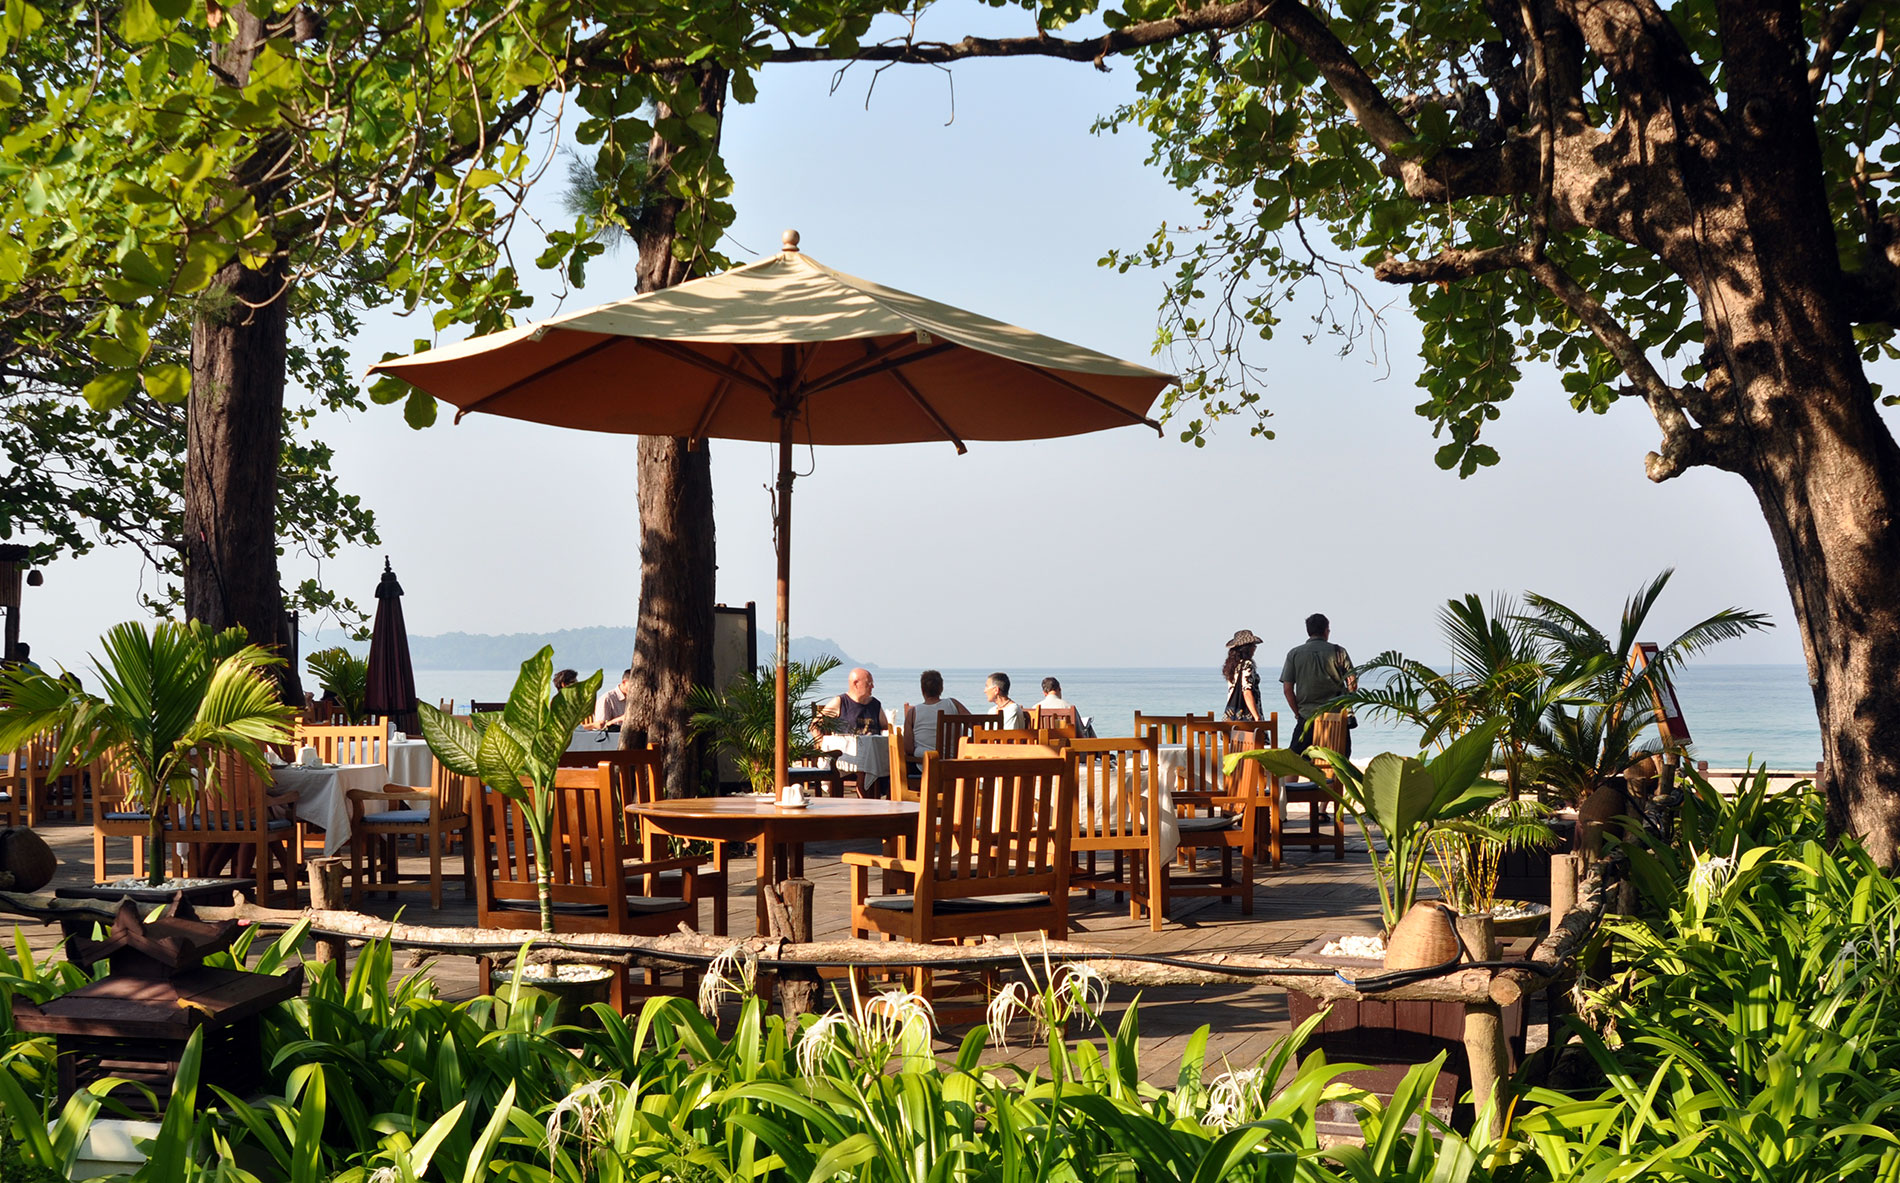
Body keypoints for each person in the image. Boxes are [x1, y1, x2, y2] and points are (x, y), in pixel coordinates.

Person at [1282, 613, 1358, 757]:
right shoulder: (1339, 652)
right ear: (1326, 631)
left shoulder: (1294, 653)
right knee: (1340, 761)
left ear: (1308, 631)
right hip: (1336, 718)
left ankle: (1296, 776)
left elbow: (1287, 690)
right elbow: (1352, 683)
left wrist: (1297, 713)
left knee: (1294, 760)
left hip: (1307, 717)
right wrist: (1347, 702)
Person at [904, 670, 969, 758]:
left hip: (924, 762)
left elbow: (908, 748)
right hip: (953, 761)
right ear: (941, 688)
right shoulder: (953, 704)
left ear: (922, 690)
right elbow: (975, 724)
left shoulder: (913, 712)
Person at [814, 667, 884, 735]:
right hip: (846, 742)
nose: (872, 686)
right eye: (869, 683)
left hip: (872, 742)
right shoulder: (841, 702)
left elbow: (886, 728)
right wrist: (821, 741)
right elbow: (814, 725)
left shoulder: (875, 704)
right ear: (856, 684)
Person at [1222, 630, 1267, 727]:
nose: (1255, 648)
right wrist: (1257, 717)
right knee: (1256, 736)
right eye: (1253, 646)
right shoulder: (1247, 665)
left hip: (1231, 715)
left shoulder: (1232, 666)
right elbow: (1246, 691)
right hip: (1247, 715)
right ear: (1247, 648)